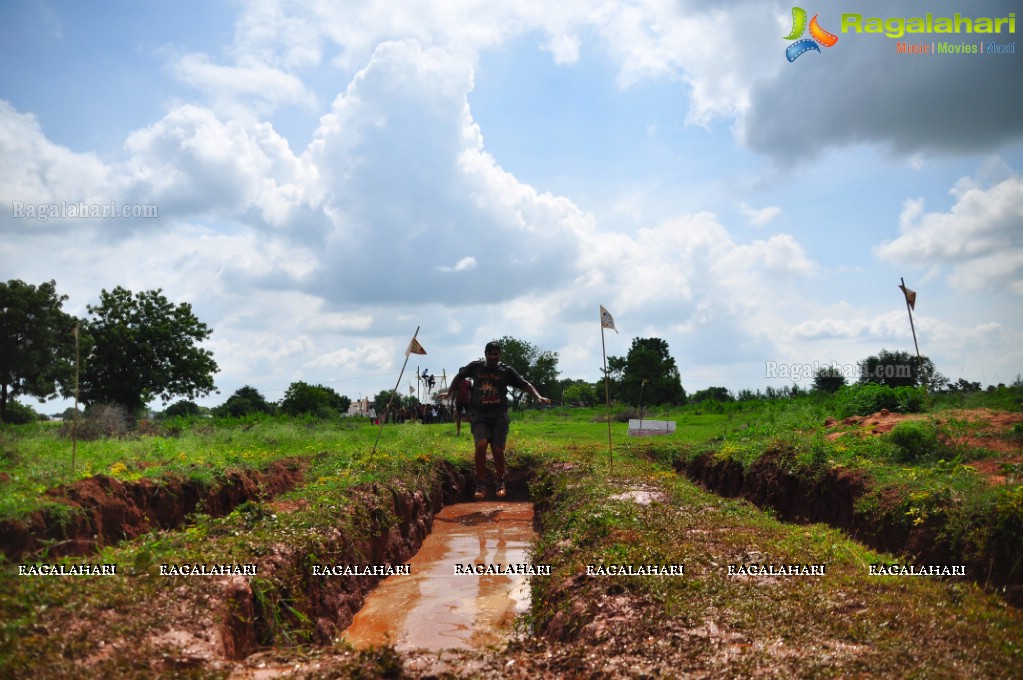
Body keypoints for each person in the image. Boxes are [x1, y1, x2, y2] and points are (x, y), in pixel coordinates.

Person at [443, 341, 552, 499]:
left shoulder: (505, 371)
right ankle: (480, 484)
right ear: (485, 354)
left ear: (500, 355)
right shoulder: (476, 367)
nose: (493, 357)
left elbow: (525, 384)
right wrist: (448, 392)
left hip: (499, 415)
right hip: (479, 414)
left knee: (497, 449)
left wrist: (538, 396)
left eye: (496, 354)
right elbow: (460, 376)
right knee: (481, 445)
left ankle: (500, 481)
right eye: (490, 354)